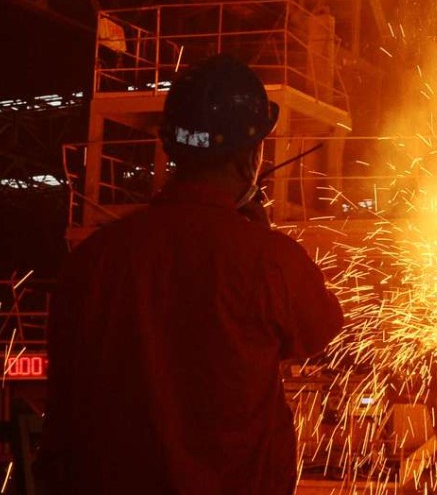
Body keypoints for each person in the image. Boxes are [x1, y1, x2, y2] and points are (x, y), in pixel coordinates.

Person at [38, 54, 345, 494]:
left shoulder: (92, 261)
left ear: (171, 147)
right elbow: (321, 326)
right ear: (250, 156)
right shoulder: (269, 260)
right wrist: (261, 238)